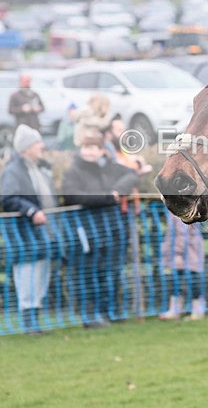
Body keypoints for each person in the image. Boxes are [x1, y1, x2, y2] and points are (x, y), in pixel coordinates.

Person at [61, 128, 140, 327]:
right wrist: (107, 197)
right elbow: (73, 195)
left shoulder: (110, 167)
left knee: (111, 271)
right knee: (89, 273)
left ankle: (110, 311)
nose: (89, 152)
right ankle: (90, 316)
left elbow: (132, 175)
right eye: (86, 147)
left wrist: (118, 190)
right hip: (86, 230)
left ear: (101, 150)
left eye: (93, 148)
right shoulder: (74, 171)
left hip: (111, 228)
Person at [0, 124, 58, 334]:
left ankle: (36, 319)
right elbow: (9, 198)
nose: (41, 146)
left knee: (41, 274)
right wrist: (32, 211)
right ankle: (28, 321)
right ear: (26, 148)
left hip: (43, 232)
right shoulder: (13, 170)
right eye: (36, 143)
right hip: (25, 233)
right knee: (27, 275)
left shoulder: (40, 167)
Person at [159, 213, 205, 321]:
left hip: (187, 250)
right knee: (177, 280)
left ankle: (197, 311)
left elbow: (182, 233)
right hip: (180, 251)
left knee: (192, 279)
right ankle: (175, 310)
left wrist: (177, 251)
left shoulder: (182, 210)